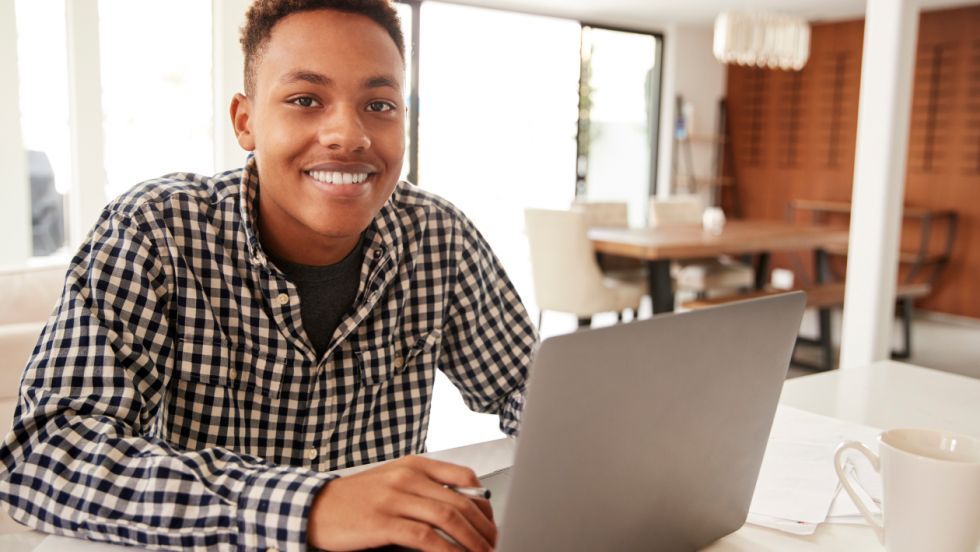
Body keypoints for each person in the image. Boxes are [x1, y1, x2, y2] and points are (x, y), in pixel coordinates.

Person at [0, 1, 538, 551]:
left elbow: (531, 392)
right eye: (305, 100)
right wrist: (313, 506)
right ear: (246, 120)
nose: (347, 135)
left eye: (379, 104)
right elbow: (46, 454)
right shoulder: (155, 231)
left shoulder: (438, 237)